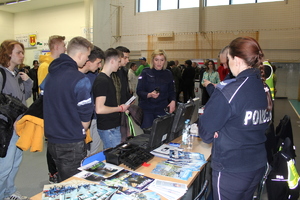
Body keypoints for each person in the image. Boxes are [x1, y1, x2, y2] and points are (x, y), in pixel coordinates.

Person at [198, 37, 273, 200]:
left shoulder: (230, 91)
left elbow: (205, 133)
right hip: (257, 164)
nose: (227, 64)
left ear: (237, 60)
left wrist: (218, 127)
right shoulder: (263, 87)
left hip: (232, 169)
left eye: (229, 59)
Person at [43, 36, 94, 182]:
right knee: (74, 183)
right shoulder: (79, 79)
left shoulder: (51, 74)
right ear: (79, 55)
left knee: (63, 180)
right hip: (71, 142)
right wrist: (82, 128)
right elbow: (85, 115)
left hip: (53, 141)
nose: (87, 60)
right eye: (87, 56)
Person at [0, 40, 33, 200]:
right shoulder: (1, 74)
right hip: (6, 128)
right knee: (4, 166)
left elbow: (24, 98)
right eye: (18, 52)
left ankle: (9, 191)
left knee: (15, 163)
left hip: (19, 128)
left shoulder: (17, 75)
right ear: (8, 54)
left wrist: (28, 82)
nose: (22, 55)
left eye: (22, 52)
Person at [38, 35, 66, 184]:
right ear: (56, 47)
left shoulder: (59, 64)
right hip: (51, 112)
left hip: (60, 111)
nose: (65, 48)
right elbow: (44, 91)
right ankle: (53, 173)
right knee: (52, 144)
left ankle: (60, 171)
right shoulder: (45, 66)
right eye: (63, 45)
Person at [92, 48, 130, 149]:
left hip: (113, 125)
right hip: (108, 127)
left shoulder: (108, 79)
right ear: (112, 61)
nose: (119, 64)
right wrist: (120, 108)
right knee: (114, 156)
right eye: (118, 61)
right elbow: (99, 109)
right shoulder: (102, 80)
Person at [136, 49, 176, 129]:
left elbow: (172, 91)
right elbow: (139, 91)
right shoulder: (145, 72)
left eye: (162, 60)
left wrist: (173, 101)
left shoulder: (168, 73)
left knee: (162, 133)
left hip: (162, 109)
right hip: (147, 109)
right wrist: (149, 95)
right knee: (148, 134)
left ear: (165, 61)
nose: (159, 62)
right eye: (156, 60)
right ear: (152, 61)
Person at [78, 46, 105, 156]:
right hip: (83, 120)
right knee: (84, 151)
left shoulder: (95, 75)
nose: (99, 66)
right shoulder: (77, 78)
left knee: (93, 151)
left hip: (96, 117)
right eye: (98, 63)